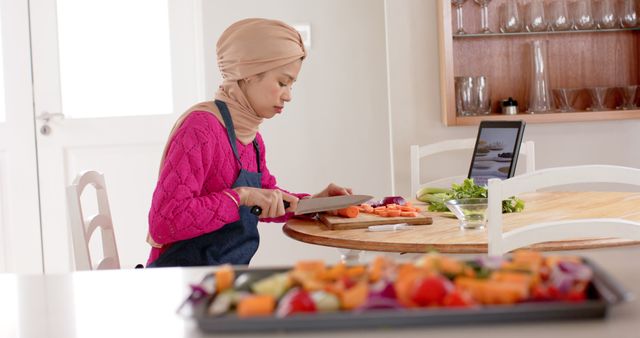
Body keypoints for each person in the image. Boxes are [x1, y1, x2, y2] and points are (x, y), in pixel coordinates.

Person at [146, 18, 352, 267]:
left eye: (291, 85)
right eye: (282, 82)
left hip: (223, 277)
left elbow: (266, 198)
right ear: (248, 75)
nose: (288, 95)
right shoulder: (200, 129)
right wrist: (240, 196)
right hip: (180, 280)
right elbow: (164, 224)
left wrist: (313, 204)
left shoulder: (251, 139)